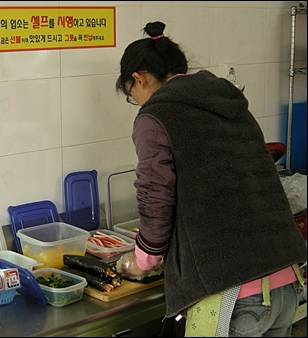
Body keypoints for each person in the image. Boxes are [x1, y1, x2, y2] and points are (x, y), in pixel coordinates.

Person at [115, 21, 306, 337]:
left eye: (132, 94)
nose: (137, 102)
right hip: (285, 280)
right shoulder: (225, 98)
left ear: (139, 78)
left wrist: (142, 259)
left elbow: (156, 195)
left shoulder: (156, 115)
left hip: (234, 294)